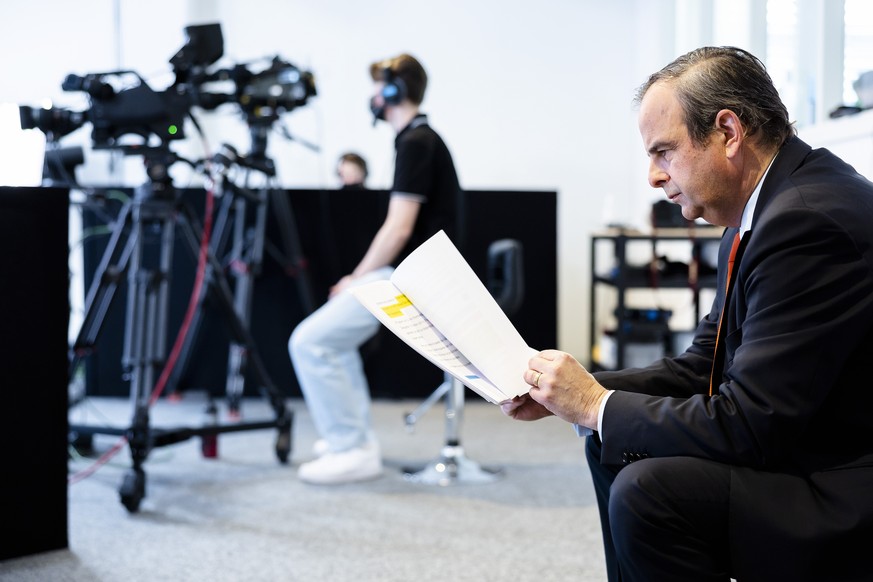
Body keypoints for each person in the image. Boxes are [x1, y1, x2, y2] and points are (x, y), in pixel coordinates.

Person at [502, 46, 873, 581]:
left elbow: (749, 425)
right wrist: (578, 394)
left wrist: (596, 405)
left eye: (664, 152)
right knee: (611, 441)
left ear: (727, 131)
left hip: (843, 485)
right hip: (807, 447)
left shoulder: (805, 224)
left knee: (649, 493)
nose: (654, 176)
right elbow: (704, 366)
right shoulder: (763, 210)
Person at [289, 53, 463, 485]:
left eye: (376, 88)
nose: (371, 97)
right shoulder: (419, 138)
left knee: (310, 343)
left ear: (391, 92)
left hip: (416, 277)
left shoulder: (416, 142)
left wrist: (354, 278)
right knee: (330, 342)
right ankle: (351, 440)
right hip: (415, 272)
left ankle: (351, 448)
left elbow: (398, 227)